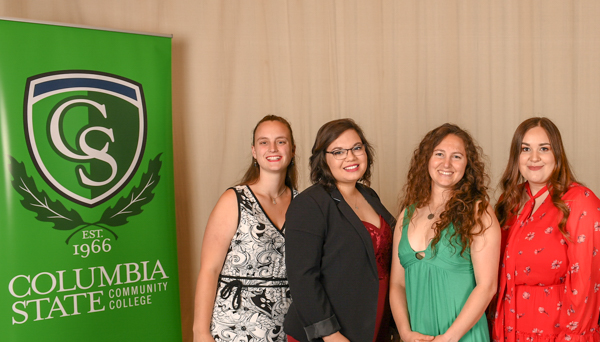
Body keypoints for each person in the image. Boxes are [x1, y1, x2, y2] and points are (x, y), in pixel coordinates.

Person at [284, 118, 396, 342]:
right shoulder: (310, 204)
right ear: (322, 159)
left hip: (373, 320)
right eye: (338, 152)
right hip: (331, 332)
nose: (351, 157)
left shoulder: (370, 196)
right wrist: (330, 334)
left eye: (357, 148)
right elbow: (302, 278)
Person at [491, 117, 600, 342]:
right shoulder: (508, 201)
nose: (534, 158)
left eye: (544, 148)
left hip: (557, 333)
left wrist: (572, 337)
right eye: (525, 149)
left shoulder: (581, 201)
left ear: (557, 154)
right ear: (516, 157)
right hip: (507, 330)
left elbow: (586, 284)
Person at [389, 123, 501, 342]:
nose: (447, 163)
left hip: (462, 337)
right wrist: (405, 333)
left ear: (467, 164)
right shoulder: (407, 215)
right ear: (426, 160)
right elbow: (397, 284)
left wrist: (449, 338)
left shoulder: (478, 211)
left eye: (457, 156)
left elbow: (487, 286)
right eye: (439, 154)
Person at [193, 115, 299, 342]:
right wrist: (200, 333)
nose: (272, 148)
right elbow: (209, 270)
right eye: (264, 142)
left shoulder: (304, 204)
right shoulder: (234, 200)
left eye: (281, 141)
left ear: (292, 149)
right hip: (235, 325)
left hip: (289, 326)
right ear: (254, 151)